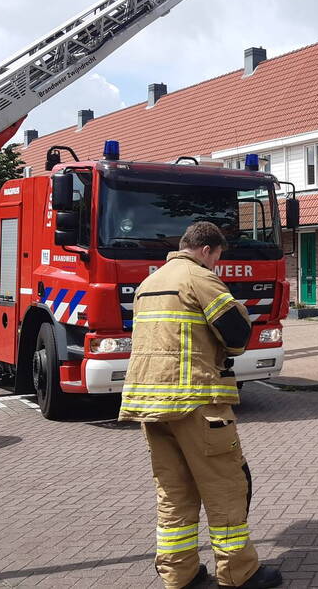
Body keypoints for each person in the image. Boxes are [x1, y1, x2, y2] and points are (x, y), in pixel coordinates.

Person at [119, 222, 282, 589]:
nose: (217, 265)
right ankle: (239, 573)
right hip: (196, 403)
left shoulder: (148, 284)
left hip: (152, 405)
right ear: (207, 250)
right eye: (218, 258)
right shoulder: (199, 278)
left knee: (174, 492)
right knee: (226, 487)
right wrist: (238, 309)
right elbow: (237, 336)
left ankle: (180, 574)